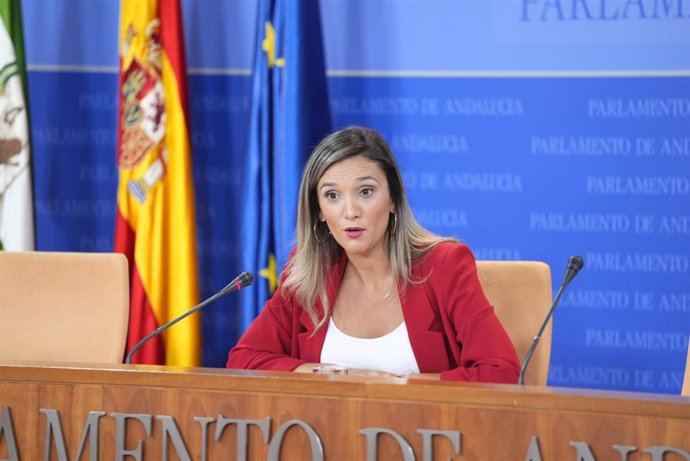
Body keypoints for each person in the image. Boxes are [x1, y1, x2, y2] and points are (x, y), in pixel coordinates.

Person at [227, 126, 520, 382]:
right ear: (319, 213)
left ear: (392, 199)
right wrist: (328, 374)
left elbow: (500, 372)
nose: (350, 211)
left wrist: (396, 385)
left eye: (365, 192)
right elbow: (244, 359)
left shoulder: (445, 266)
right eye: (332, 196)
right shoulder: (307, 274)